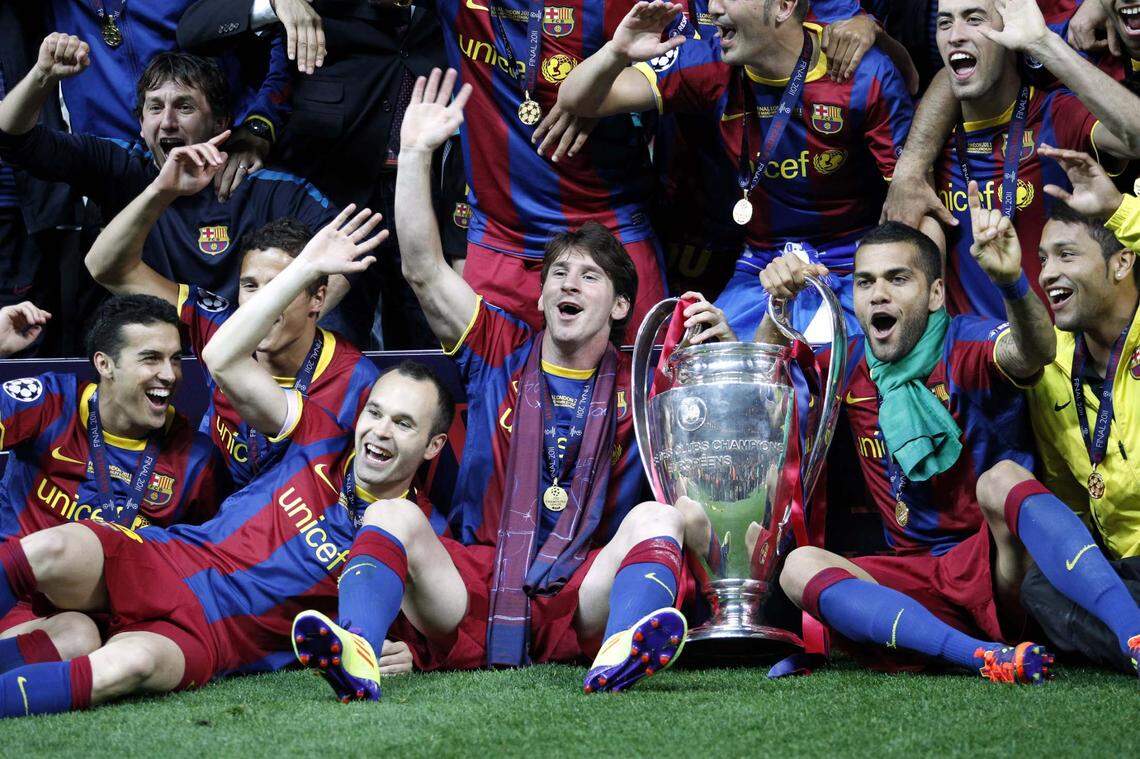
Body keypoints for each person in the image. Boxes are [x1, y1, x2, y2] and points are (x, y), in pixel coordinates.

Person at [288, 69, 739, 702]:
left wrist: (714, 358)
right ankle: (358, 648)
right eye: (557, 274)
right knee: (392, 512)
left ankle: (621, 648)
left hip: (581, 591)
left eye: (587, 277)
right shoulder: (497, 348)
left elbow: (721, 455)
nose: (566, 286)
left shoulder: (646, 375)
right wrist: (416, 154)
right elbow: (420, 267)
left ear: (618, 307)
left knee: (657, 517)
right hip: (480, 578)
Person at [0, 208, 427, 720]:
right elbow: (113, 269)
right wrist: (169, 192)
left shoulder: (349, 402)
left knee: (106, 653)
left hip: (226, 622)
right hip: (185, 557)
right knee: (60, 559)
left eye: (400, 423)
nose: (379, 429)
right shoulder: (281, 400)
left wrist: (410, 648)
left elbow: (422, 583)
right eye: (249, 286)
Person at [764, 205, 1058, 682]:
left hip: (995, 567)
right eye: (865, 283)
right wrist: (776, 307)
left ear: (936, 292)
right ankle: (979, 656)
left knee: (1007, 484)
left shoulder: (967, 344)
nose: (878, 294)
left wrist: (1011, 284)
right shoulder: (848, 362)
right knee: (799, 567)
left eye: (898, 279)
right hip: (914, 579)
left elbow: (1034, 352)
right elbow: (768, 388)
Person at [559, 0, 914, 342]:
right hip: (760, 266)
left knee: (857, 381)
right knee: (708, 375)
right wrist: (616, 52)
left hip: (854, 261)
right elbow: (576, 98)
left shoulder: (861, 74)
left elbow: (910, 206)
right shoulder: (710, 62)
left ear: (783, 7)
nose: (713, 8)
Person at [85, 138, 380, 488]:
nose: (260, 303)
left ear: (317, 299)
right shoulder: (219, 324)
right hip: (216, 519)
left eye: (280, 286)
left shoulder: (358, 380)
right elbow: (106, 268)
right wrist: (161, 191)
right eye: (250, 286)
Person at [177, 0, 467, 349]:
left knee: (431, 345)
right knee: (324, 342)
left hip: (427, 193)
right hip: (330, 194)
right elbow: (195, 29)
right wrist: (275, 2)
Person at [0, 38, 339, 302]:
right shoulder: (119, 166)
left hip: (243, 355)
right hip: (152, 355)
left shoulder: (272, 190)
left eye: (185, 106)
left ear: (221, 122)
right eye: (155, 107)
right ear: (140, 123)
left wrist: (282, 333)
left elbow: (350, 248)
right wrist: (42, 75)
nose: (168, 122)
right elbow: (12, 139)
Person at [972, 146, 1140, 675]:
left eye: (1067, 255)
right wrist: (1008, 281)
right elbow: (1066, 493)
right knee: (1044, 587)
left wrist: (1119, 212)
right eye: (1041, 259)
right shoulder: (1052, 367)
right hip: (1117, 567)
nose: (1046, 273)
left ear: (1121, 261)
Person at [0, 295, 227, 669]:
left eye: (175, 358)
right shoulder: (51, 404)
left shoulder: (196, 458)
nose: (170, 374)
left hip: (109, 619)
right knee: (76, 626)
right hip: (20, 599)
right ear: (105, 364)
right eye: (151, 358)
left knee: (79, 635)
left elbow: (202, 558)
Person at [890, 0, 1140, 318]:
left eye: (974, 19)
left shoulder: (1056, 114)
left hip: (1058, 354)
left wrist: (1041, 43)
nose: (955, 36)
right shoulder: (926, 140)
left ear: (1011, 30)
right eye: (945, 23)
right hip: (972, 355)